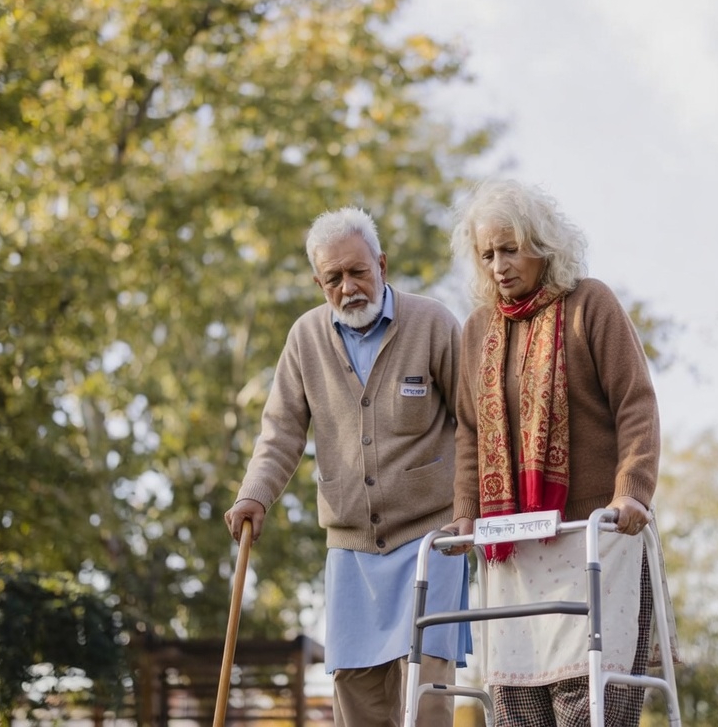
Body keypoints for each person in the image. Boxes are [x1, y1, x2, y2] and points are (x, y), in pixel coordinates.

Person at [225, 206, 470, 727]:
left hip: (431, 539)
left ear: (381, 264)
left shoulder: (433, 323)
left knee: (424, 695)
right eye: (333, 277)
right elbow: (281, 432)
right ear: (319, 282)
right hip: (352, 547)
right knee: (355, 698)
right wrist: (255, 494)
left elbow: (474, 422)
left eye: (358, 271)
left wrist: (471, 509)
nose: (349, 287)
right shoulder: (304, 339)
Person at [442, 179, 672, 727]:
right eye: (487, 254)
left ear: (542, 245)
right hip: (513, 552)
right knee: (520, 711)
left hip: (595, 537)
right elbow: (470, 436)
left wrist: (631, 492)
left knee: (592, 705)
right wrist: (464, 517)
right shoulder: (478, 331)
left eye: (510, 248)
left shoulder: (589, 304)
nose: (499, 265)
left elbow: (636, 405)